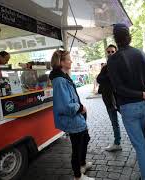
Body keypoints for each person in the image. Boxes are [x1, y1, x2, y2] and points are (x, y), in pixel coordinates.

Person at [107, 23, 145, 180]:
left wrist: (141, 95)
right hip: (143, 106)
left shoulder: (113, 60)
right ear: (129, 36)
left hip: (128, 108)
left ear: (115, 38)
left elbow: (119, 88)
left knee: (140, 146)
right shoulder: (141, 54)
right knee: (144, 141)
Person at [49, 50, 93, 180]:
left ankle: (83, 164)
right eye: (68, 59)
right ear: (61, 62)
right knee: (77, 147)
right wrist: (80, 108)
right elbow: (65, 105)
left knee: (85, 139)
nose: (71, 61)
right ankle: (78, 176)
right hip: (73, 119)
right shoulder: (59, 80)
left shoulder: (63, 77)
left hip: (77, 118)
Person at [97, 44, 122, 152]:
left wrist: (107, 77)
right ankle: (117, 143)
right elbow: (98, 79)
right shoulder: (106, 67)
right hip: (108, 99)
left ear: (116, 52)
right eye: (109, 52)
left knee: (129, 121)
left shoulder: (121, 65)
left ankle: (144, 142)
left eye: (113, 51)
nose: (111, 53)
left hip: (120, 99)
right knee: (114, 122)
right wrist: (109, 75)